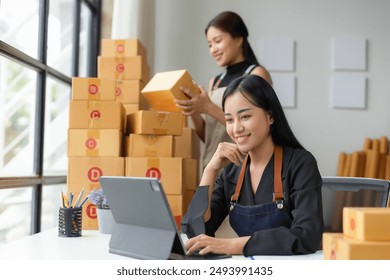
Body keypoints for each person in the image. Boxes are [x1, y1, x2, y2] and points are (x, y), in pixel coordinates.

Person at [181, 75, 324, 256]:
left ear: (270, 116)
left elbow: (307, 235)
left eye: (245, 116)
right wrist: (210, 170)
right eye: (230, 120)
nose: (236, 128)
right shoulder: (231, 172)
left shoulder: (301, 164)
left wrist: (232, 246)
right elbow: (197, 231)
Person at [175, 11, 272, 171]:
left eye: (217, 41)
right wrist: (193, 109)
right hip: (212, 167)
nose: (213, 49)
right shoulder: (215, 81)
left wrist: (208, 108)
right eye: (209, 44)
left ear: (239, 39)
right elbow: (209, 137)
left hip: (242, 169)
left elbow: (260, 129)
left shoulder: (256, 74)